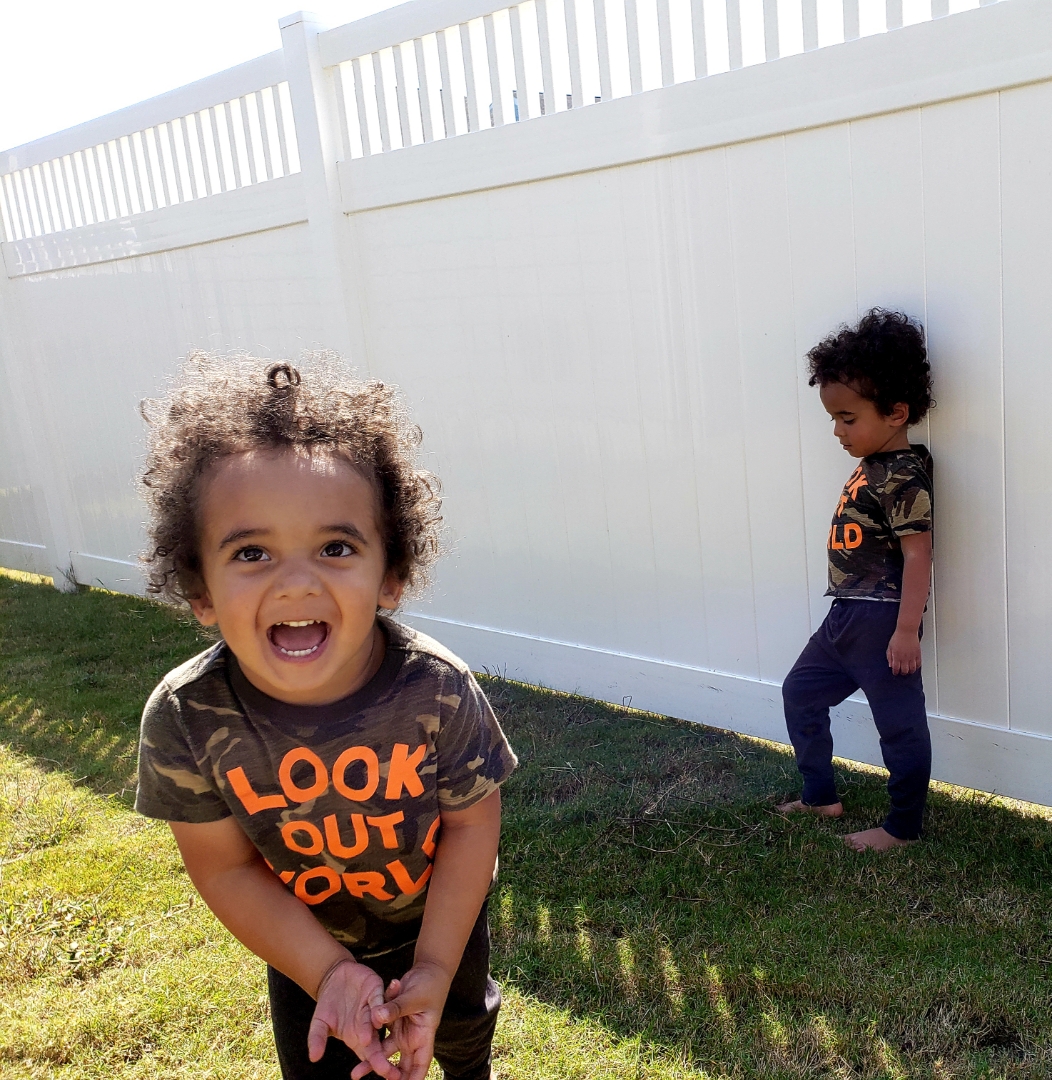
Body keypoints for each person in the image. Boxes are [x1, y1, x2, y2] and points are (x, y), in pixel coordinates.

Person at [134, 353, 517, 1080]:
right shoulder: (186, 719)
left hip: (438, 919)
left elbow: (472, 824)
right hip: (303, 937)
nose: (297, 580)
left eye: (336, 546)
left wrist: (436, 963)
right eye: (251, 552)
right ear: (200, 590)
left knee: (463, 1030)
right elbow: (226, 869)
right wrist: (327, 973)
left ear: (392, 574)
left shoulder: (436, 689)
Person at [778, 309, 934, 852]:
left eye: (848, 418)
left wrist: (906, 629)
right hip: (844, 614)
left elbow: (919, 555)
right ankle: (820, 795)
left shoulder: (905, 474)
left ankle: (902, 827)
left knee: (899, 725)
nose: (838, 431)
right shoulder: (873, 463)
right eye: (834, 419)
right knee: (800, 692)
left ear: (896, 412)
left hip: (880, 617)